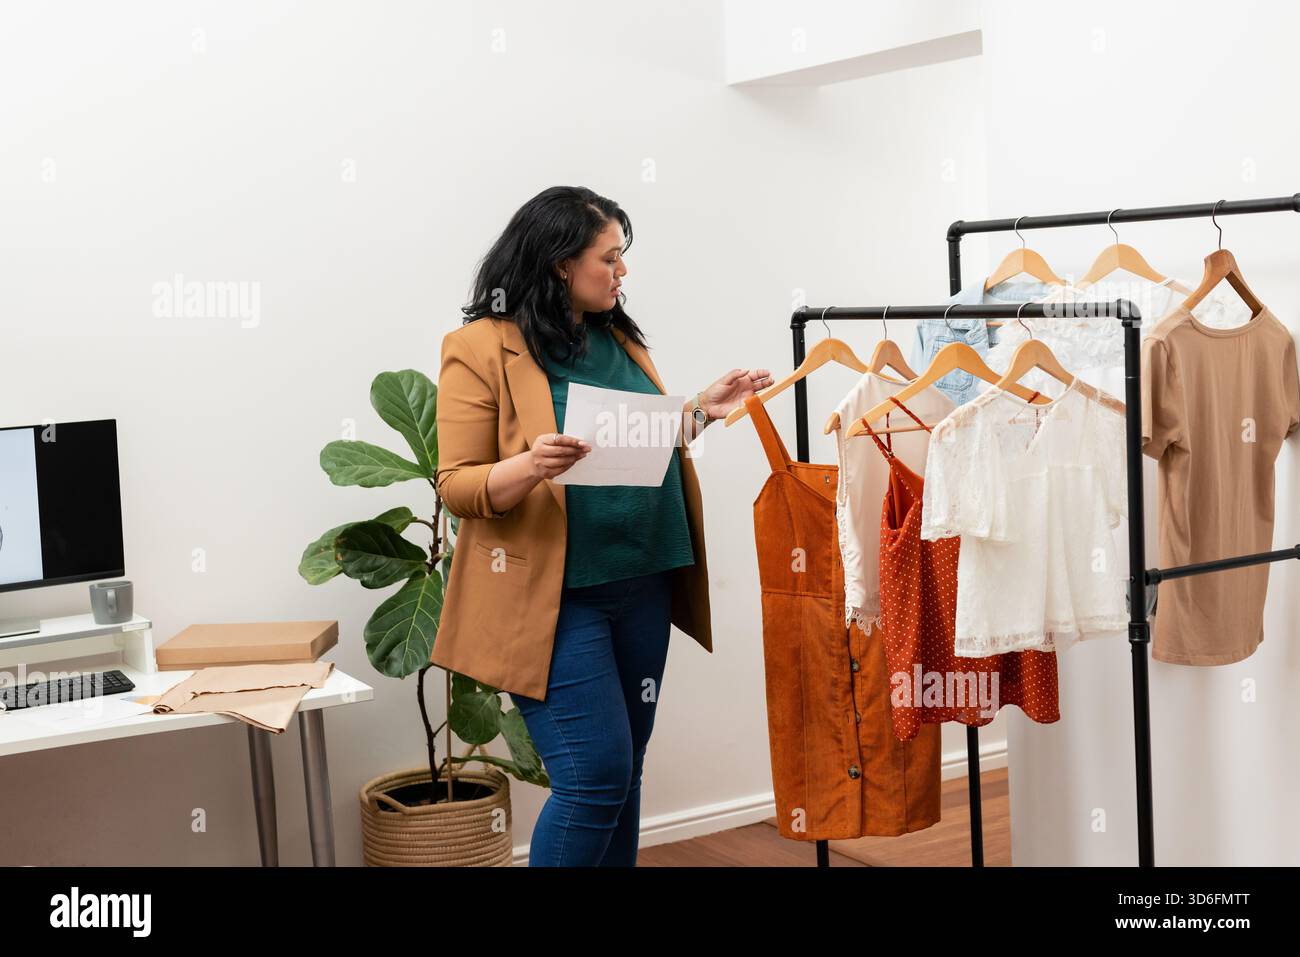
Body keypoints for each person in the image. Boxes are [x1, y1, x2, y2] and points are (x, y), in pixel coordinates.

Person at [432, 185, 771, 866]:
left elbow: (631, 439)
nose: (621, 273)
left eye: (623, 258)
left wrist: (701, 408)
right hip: (555, 600)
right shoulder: (479, 346)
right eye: (609, 258)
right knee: (594, 779)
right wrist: (528, 465)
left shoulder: (615, 334)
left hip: (643, 580)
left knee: (623, 775)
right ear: (560, 262)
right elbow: (457, 485)